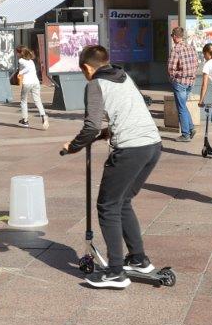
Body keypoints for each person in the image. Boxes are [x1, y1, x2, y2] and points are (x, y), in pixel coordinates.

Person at [63, 45, 163, 289]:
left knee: (107, 206)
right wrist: (105, 134)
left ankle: (116, 272)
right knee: (123, 200)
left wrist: (73, 146)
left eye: (83, 72)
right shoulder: (124, 76)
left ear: (87, 68)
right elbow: (128, 114)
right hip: (152, 145)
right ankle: (138, 259)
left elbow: (91, 126)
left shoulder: (95, 85)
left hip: (130, 150)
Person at [168, 26, 198, 142]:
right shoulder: (191, 47)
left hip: (180, 82)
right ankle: (191, 128)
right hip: (190, 81)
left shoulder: (176, 49)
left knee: (181, 108)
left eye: (172, 36)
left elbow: (171, 67)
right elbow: (196, 64)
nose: (172, 38)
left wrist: (173, 78)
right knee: (183, 106)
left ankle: (185, 134)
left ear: (175, 37)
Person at [16, 46, 48, 129]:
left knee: (23, 100)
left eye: (17, 52)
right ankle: (43, 115)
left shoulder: (21, 60)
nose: (16, 54)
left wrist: (20, 72)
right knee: (37, 100)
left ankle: (25, 120)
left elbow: (27, 68)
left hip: (27, 82)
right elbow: (30, 68)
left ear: (20, 53)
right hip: (36, 82)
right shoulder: (31, 61)